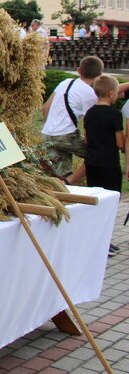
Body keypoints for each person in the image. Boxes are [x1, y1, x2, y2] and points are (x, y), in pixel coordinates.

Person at [40, 56, 104, 184]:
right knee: (97, 155)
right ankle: (71, 180)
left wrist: (52, 128)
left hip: (48, 133)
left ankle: (62, 188)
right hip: (67, 135)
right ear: (99, 75)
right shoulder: (91, 94)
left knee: (59, 173)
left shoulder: (66, 82)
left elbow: (46, 107)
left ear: (79, 70)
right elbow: (91, 121)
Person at [84, 74, 125, 255]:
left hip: (92, 163)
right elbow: (120, 143)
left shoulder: (89, 113)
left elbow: (86, 138)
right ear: (110, 93)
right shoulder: (115, 115)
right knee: (110, 204)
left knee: (97, 202)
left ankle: (99, 239)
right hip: (110, 164)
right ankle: (104, 242)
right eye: (116, 92)